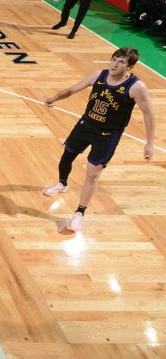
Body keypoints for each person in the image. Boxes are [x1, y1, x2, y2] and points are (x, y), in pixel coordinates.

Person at [42, 48, 156, 232]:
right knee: (66, 156)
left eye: (121, 62)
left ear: (130, 67)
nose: (114, 64)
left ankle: (79, 213)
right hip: (86, 124)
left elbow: (149, 114)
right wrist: (55, 97)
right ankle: (62, 183)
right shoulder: (98, 75)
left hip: (108, 135)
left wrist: (149, 143)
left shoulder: (136, 87)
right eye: (114, 59)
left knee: (92, 174)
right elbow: (73, 89)